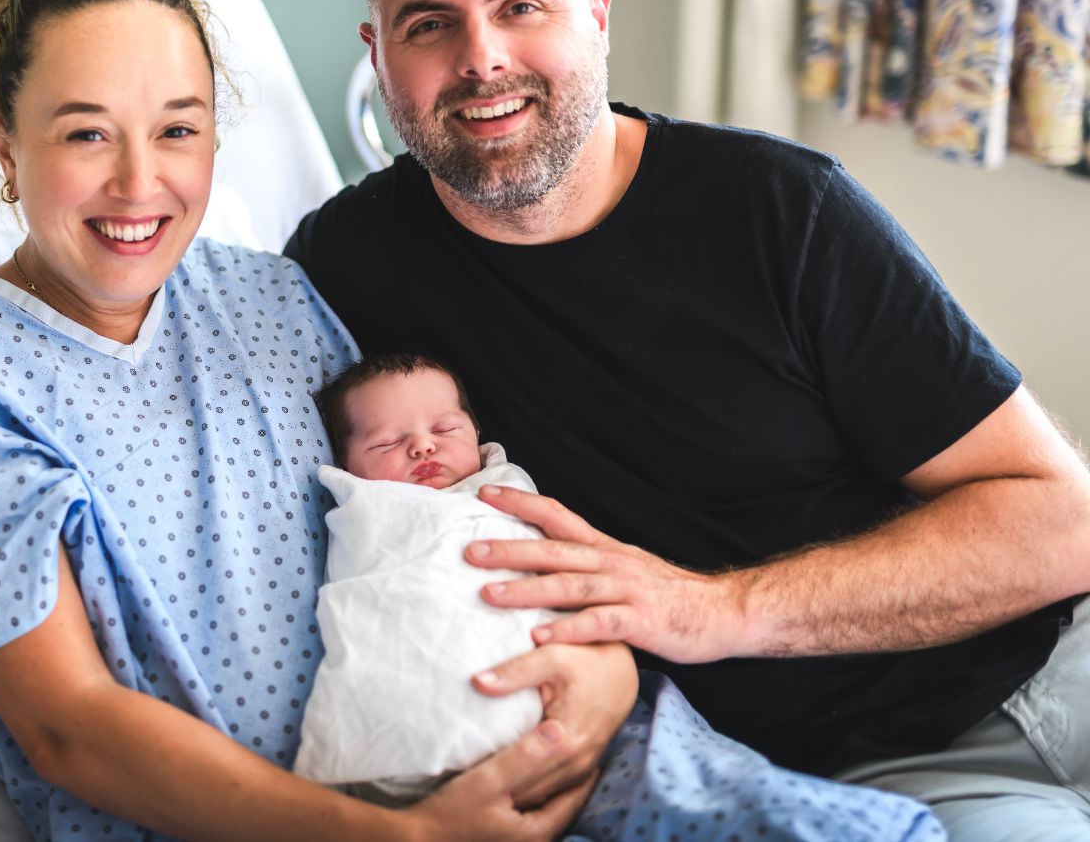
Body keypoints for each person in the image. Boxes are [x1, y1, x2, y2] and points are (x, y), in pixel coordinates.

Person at [284, 0, 1090, 839]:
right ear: (376, 54)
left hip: (1032, 682)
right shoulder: (342, 265)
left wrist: (715, 610)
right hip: (815, 780)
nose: (481, 57)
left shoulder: (780, 212)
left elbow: (1061, 520)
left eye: (521, 6)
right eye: (429, 24)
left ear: (599, 15)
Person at [0, 0, 636, 842]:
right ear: (1, 140)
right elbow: (72, 730)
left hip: (459, 750)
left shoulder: (272, 299)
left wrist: (607, 665)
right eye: (87, 135)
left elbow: (437, 514)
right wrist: (402, 836)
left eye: (177, 129)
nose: (140, 184)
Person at [295, 353, 944, 841]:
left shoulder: (508, 491)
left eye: (444, 425)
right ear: (346, 464)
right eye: (385, 442)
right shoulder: (365, 513)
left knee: (718, 797)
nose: (423, 445)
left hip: (605, 720)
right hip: (413, 747)